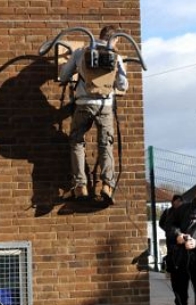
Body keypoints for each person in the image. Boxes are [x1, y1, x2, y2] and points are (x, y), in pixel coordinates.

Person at [59, 25, 129, 199]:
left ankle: (80, 186)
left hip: (83, 104)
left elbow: (63, 76)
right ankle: (107, 186)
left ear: (101, 35)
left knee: (77, 142)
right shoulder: (116, 57)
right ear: (116, 39)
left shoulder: (80, 53)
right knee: (105, 145)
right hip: (105, 106)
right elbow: (123, 86)